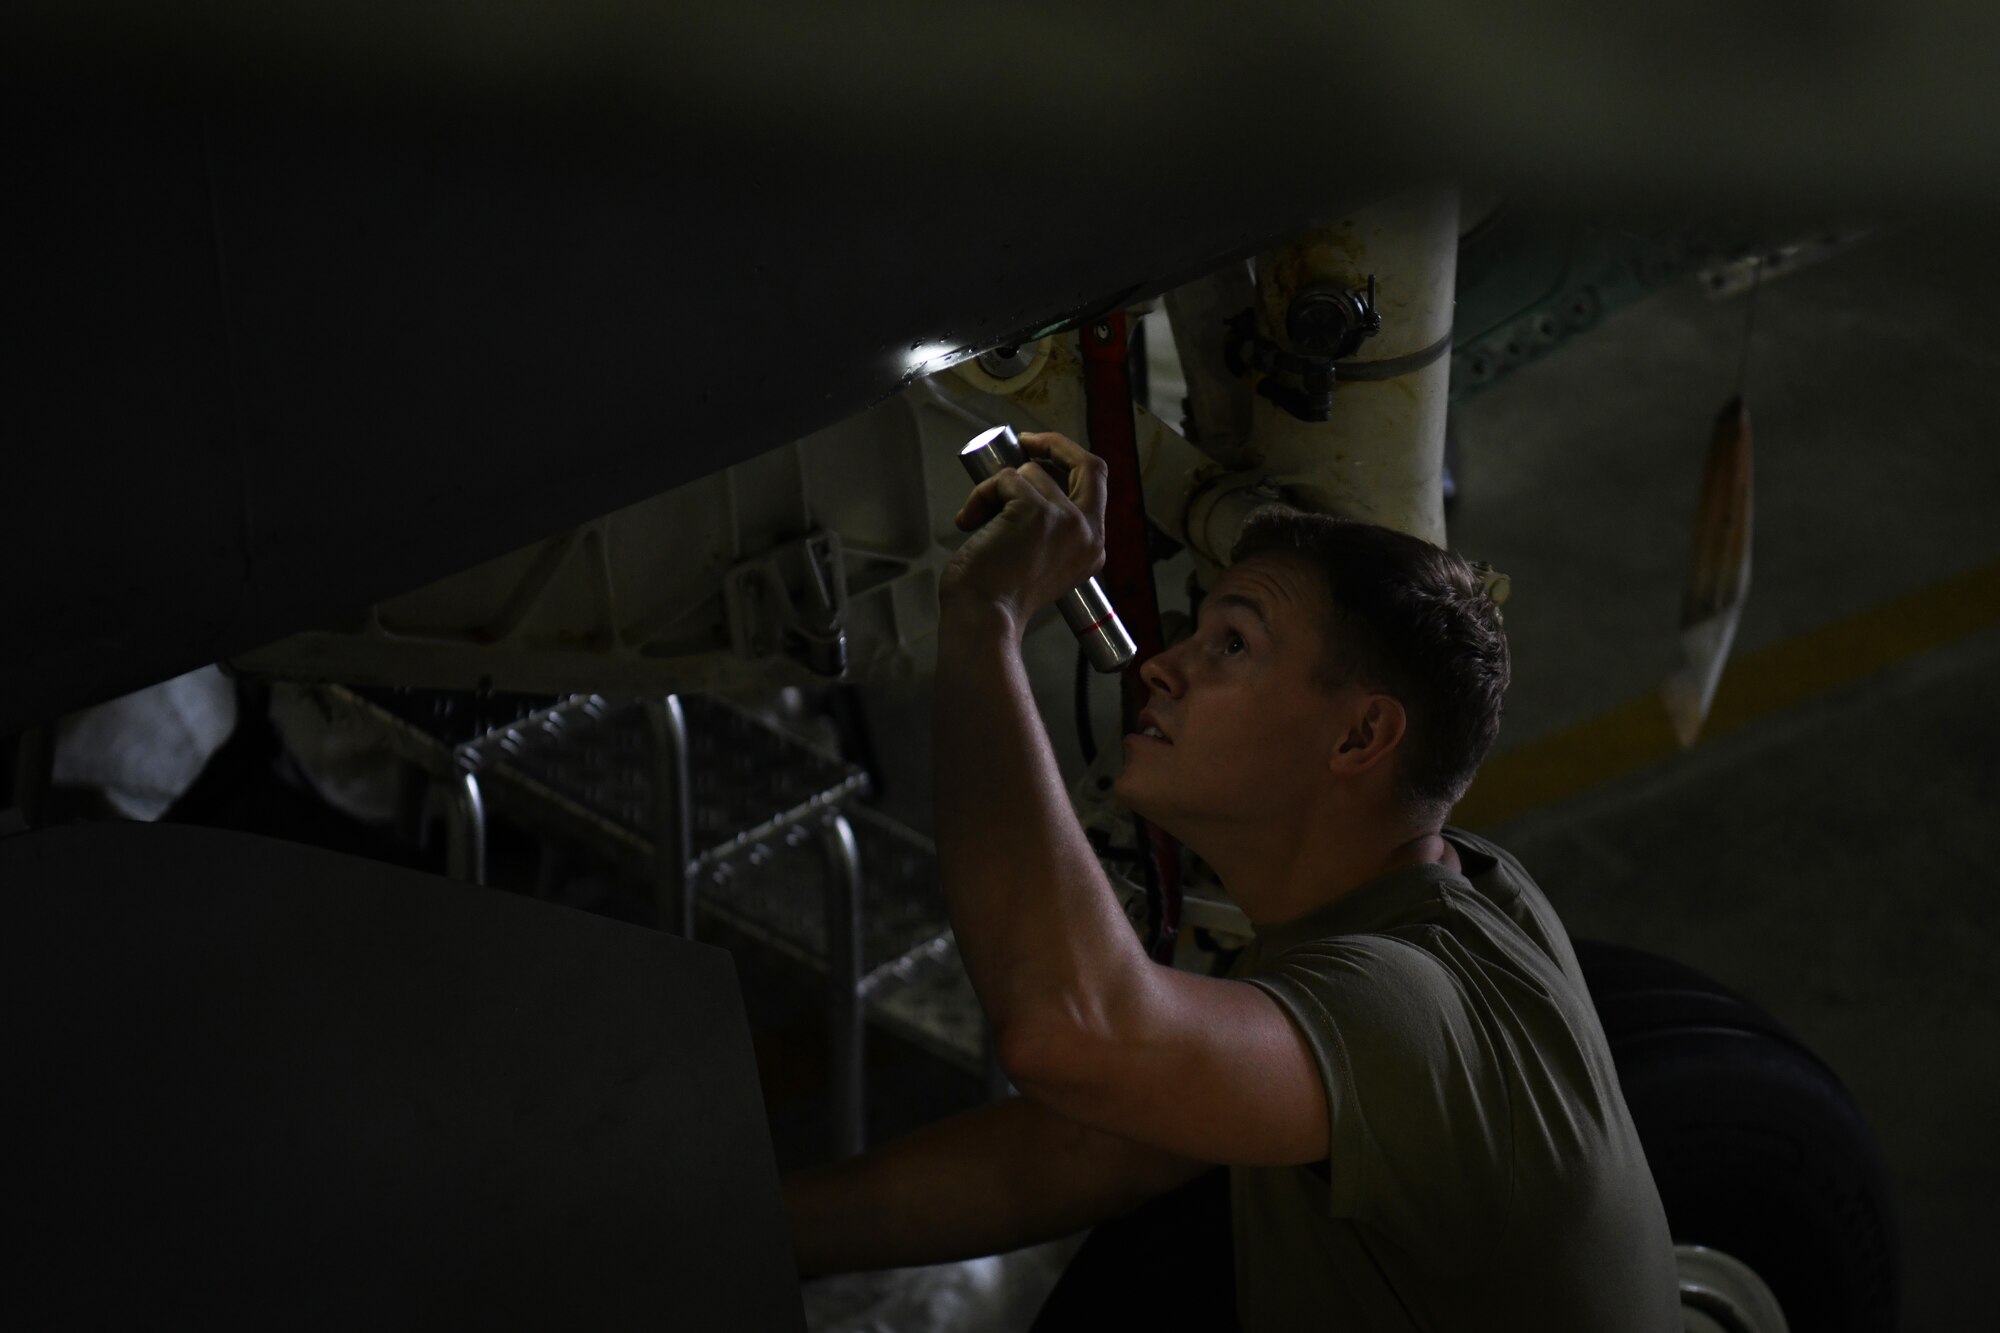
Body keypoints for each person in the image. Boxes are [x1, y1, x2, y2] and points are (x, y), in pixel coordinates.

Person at [783, 430, 1681, 1330]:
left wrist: (986, 615)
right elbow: (1099, 1143)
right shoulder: (1457, 889)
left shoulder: (1404, 1006)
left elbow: (1073, 1031)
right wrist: (761, 1226)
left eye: (1233, 644)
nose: (1160, 666)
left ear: (1359, 738)